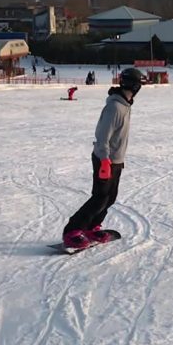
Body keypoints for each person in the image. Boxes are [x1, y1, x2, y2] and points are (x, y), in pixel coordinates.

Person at [62, 67, 142, 250]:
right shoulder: (115, 106)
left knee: (110, 198)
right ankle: (72, 230)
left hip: (116, 160)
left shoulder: (125, 104)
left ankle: (91, 227)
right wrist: (105, 160)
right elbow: (102, 135)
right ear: (135, 85)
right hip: (104, 159)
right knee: (100, 197)